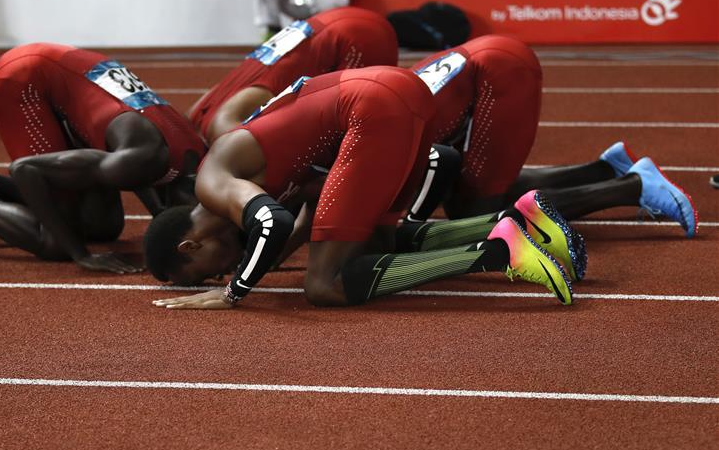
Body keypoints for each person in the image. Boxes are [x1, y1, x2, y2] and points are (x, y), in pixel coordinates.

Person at [145, 67, 583, 309]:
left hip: (367, 109)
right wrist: (269, 262)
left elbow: (273, 221)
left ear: (191, 244)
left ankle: (501, 252)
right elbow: (310, 210)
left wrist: (234, 291)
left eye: (210, 271)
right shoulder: (248, 173)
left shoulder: (211, 183)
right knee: (375, 243)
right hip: (397, 91)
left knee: (324, 286)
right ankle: (519, 218)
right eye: (219, 276)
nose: (223, 269)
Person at [0, 43, 206, 272]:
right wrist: (80, 255)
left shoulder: (197, 152)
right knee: (55, 242)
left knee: (102, 226)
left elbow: (144, 175)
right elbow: (25, 171)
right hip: (24, 82)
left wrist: (158, 213)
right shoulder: (139, 159)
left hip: (68, 74)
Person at [404, 35, 699, 238]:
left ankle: (634, 187)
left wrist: (410, 224)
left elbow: (441, 161)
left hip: (500, 73)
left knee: (472, 212)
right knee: (467, 189)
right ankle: (606, 169)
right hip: (487, 63)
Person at [188, 6, 397, 143]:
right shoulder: (198, 112)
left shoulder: (210, 122)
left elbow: (222, 124)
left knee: (361, 124)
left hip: (356, 39)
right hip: (338, 20)